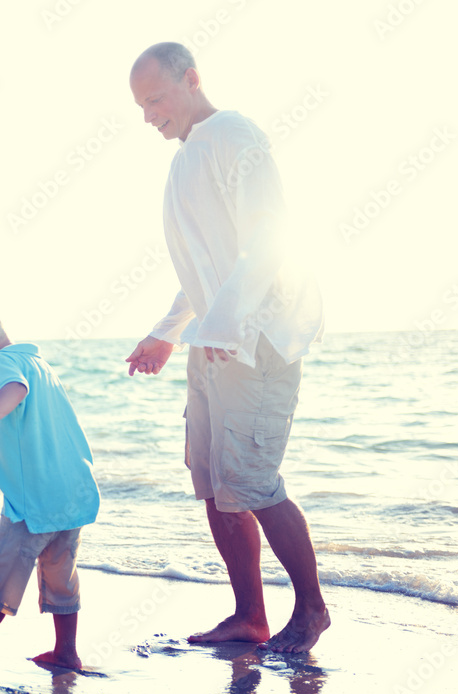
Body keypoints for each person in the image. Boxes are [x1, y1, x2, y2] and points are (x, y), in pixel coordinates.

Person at [125, 43, 330, 653]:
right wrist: (169, 330)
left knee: (252, 481)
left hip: (257, 339)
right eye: (140, 105)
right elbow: (206, 266)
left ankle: (313, 610)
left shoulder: (236, 135)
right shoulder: (185, 158)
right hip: (214, 341)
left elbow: (268, 240)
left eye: (155, 99)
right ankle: (249, 616)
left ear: (192, 80)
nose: (148, 116)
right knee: (213, 482)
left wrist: (224, 323)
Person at [0, 303, 99, 670]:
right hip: (70, 497)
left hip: (32, 502)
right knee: (62, 580)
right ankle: (67, 652)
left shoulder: (1, 364)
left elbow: (14, 389)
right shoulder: (39, 362)